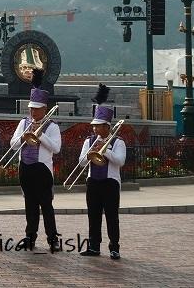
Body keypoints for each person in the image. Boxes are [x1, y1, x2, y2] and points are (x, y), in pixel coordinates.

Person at [10, 68, 62, 252]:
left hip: (43, 169)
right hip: (25, 167)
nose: (33, 111)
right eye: (31, 108)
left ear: (44, 109)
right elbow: (13, 144)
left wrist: (40, 135)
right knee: (29, 204)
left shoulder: (52, 126)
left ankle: (52, 238)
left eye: (37, 109)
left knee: (46, 205)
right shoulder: (24, 123)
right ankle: (30, 237)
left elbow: (56, 148)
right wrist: (24, 137)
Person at [79, 84, 126, 260]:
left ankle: (114, 247)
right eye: (94, 126)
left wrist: (105, 150)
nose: (95, 130)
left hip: (110, 182)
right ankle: (94, 246)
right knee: (93, 215)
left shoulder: (118, 142)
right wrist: (91, 153)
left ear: (107, 127)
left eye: (98, 126)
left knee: (112, 216)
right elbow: (81, 162)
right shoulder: (89, 141)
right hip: (93, 181)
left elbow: (120, 161)